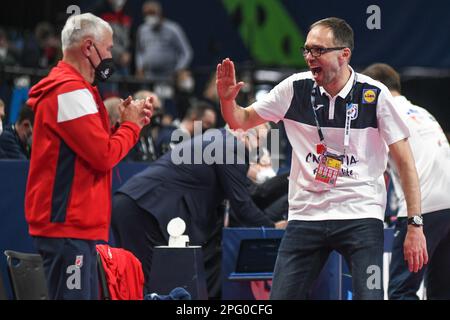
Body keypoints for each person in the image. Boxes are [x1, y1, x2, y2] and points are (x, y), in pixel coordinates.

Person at [216, 17, 427, 300]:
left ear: (344, 54)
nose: (309, 57)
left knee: (371, 296)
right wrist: (227, 101)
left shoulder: (374, 95)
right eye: (306, 50)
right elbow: (241, 120)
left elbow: (405, 163)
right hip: (307, 213)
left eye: (318, 50)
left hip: (360, 211)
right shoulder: (294, 89)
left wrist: (415, 224)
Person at [24, 13, 153, 300]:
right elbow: (103, 156)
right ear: (88, 47)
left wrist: (125, 124)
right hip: (68, 226)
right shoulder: (69, 91)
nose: (110, 56)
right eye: (107, 48)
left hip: (72, 225)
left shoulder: (75, 89)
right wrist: (130, 127)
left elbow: (94, 149)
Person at [111, 124, 287, 298]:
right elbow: (242, 204)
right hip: (144, 209)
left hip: (137, 205)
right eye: (260, 140)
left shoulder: (219, 140)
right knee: (146, 285)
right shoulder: (231, 147)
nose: (258, 149)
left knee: (142, 284)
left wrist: (285, 181)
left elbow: (247, 195)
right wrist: (271, 227)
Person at [362, 63, 450, 300]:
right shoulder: (422, 112)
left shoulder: (385, 113)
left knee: (402, 290)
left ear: (375, 89)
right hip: (447, 207)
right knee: (442, 290)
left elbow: (372, 170)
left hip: (423, 208)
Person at [135, 1, 193, 82]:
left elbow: (186, 52)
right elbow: (140, 52)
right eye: (146, 14)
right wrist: (140, 67)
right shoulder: (142, 30)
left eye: (152, 13)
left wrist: (180, 69)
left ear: (160, 13)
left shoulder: (173, 29)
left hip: (170, 76)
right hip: (149, 76)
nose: (149, 16)